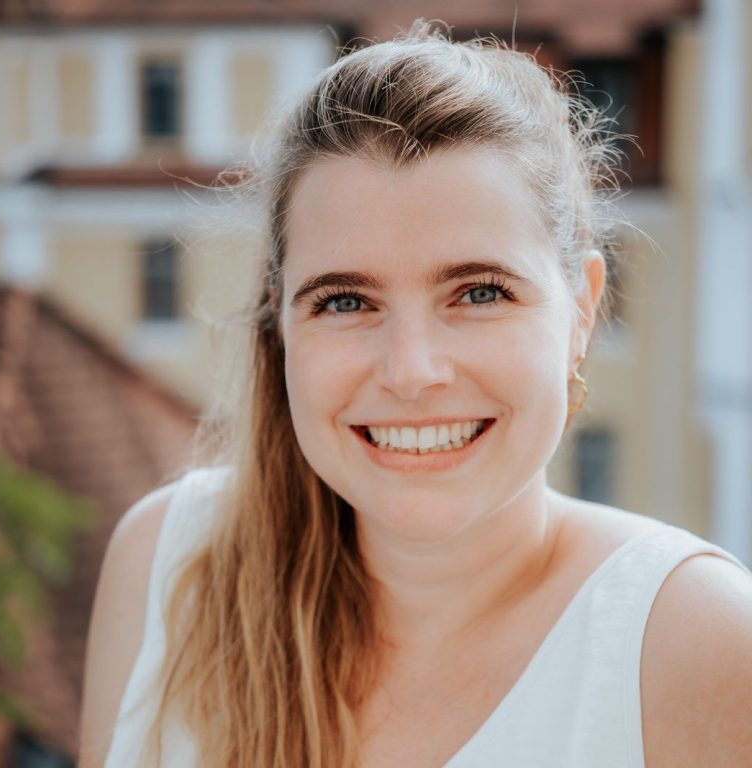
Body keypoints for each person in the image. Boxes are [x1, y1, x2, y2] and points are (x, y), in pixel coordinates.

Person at [79, 22, 752, 768]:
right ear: (281, 322)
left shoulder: (695, 641)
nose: (411, 370)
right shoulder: (167, 566)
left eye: (480, 292)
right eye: (345, 301)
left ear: (583, 310)